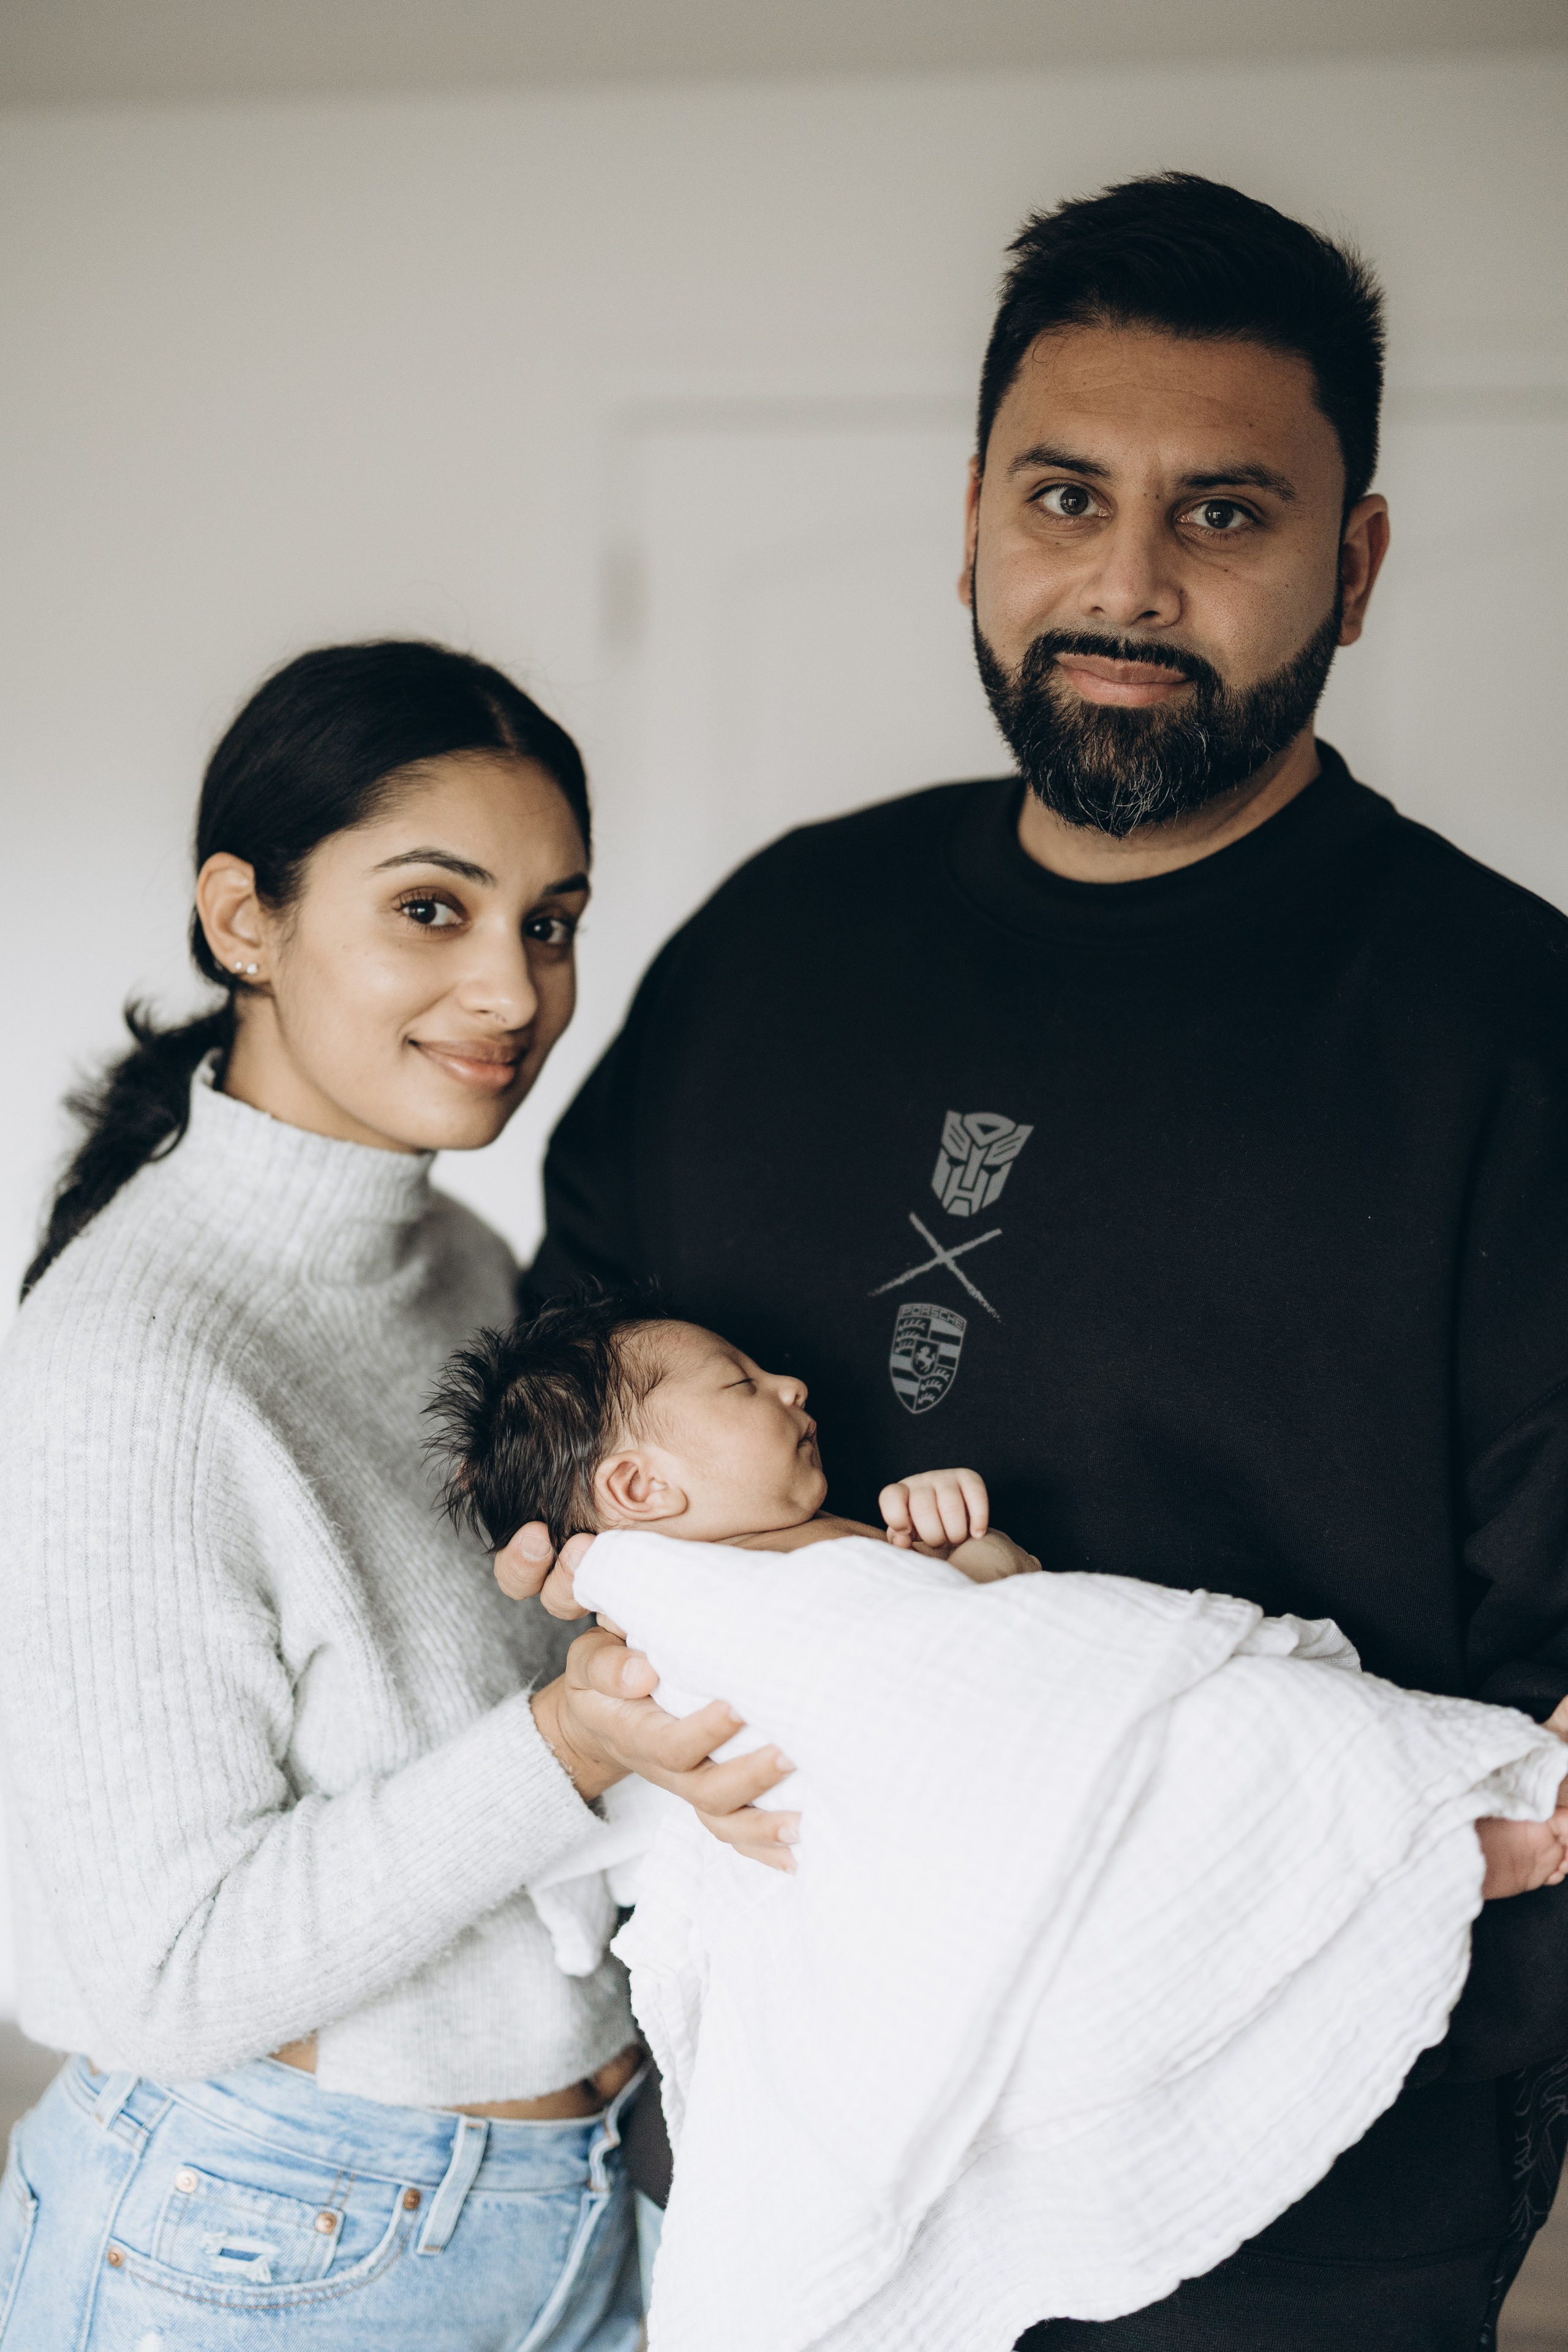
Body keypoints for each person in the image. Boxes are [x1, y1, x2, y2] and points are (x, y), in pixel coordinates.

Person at [503, 175, 1568, 2350]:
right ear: (973, 518)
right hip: (785, 2132)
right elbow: (561, 1418)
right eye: (1065, 496)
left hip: (1284, 2184)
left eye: (1226, 514)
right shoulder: (777, 942)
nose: (1126, 580)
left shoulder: (1510, 1028)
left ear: (1357, 566)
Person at [0, 640, 790, 2350]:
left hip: (578, 2201)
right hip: (266, 2240)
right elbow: (160, 1973)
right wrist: (565, 1746)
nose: (513, 991)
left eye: (551, 922)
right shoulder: (129, 1367)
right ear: (244, 919)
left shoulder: (463, 1262)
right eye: (433, 910)